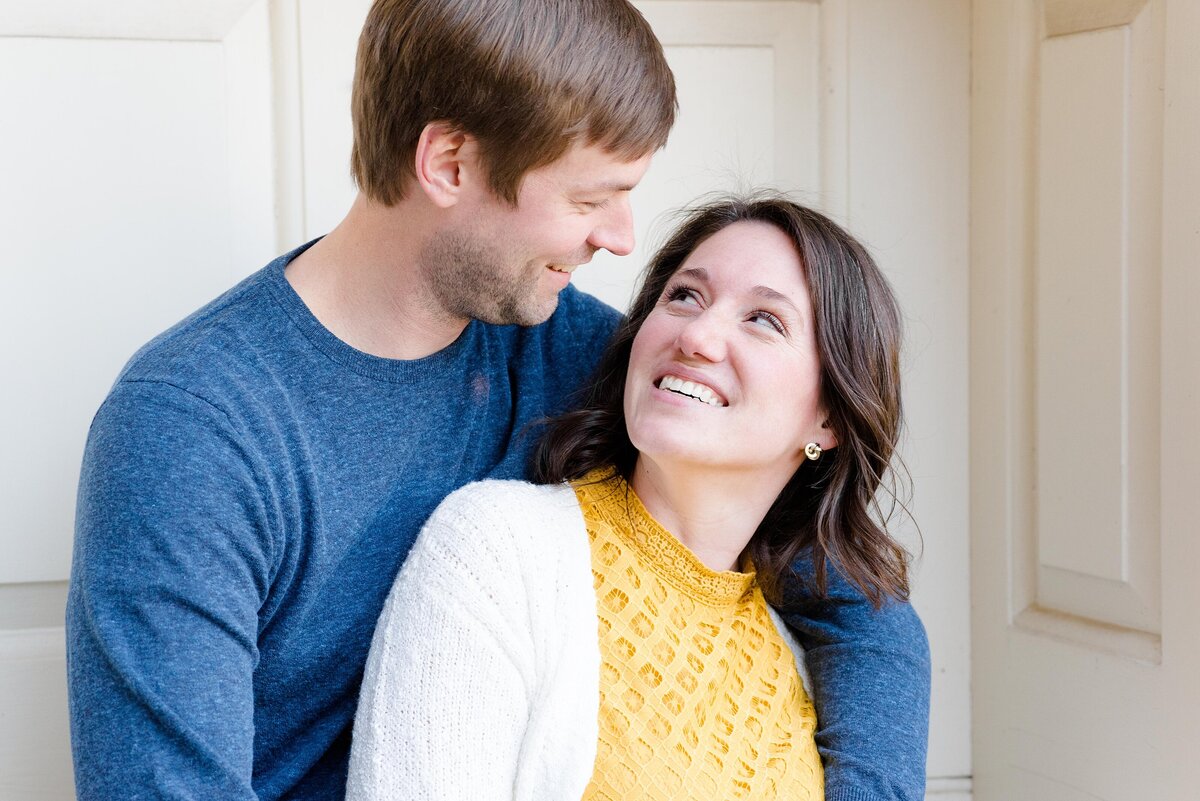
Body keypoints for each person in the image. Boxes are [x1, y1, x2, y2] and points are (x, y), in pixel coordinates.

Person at [65, 0, 928, 799]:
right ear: (448, 163)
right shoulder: (191, 428)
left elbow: (857, 599)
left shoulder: (585, 357)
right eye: (591, 197)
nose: (621, 236)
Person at [347, 196, 922, 800]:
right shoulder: (498, 550)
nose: (697, 336)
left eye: (763, 320)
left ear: (828, 419)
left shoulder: (808, 659)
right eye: (683, 296)